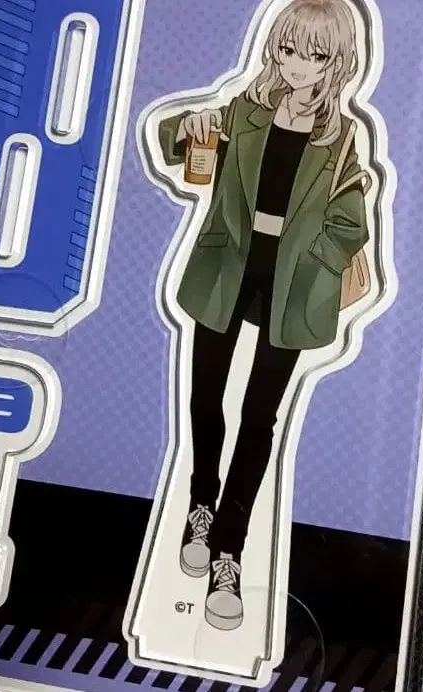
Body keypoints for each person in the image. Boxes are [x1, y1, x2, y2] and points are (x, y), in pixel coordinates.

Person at [157, 0, 370, 631]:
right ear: (275, 46)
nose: (299, 64)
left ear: (336, 62)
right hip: (226, 269)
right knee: (205, 398)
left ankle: (229, 549)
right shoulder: (245, 110)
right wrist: (191, 123)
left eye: (316, 54)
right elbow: (171, 143)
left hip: (292, 287)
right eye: (289, 48)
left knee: (258, 420)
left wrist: (317, 259)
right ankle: (200, 506)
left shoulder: (342, 138)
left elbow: (351, 223)